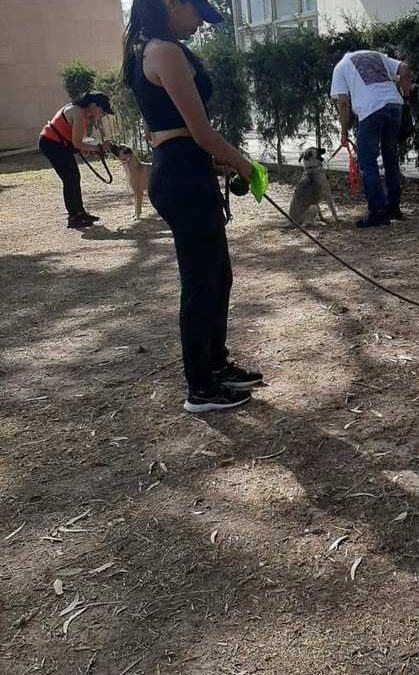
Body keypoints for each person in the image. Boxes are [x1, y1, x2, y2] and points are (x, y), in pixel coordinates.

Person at [123, 0, 263, 413]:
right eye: (197, 12)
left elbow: (172, 129)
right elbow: (200, 130)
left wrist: (215, 159)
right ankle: (200, 387)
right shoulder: (163, 51)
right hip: (182, 175)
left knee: (218, 276)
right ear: (171, 4)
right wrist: (243, 164)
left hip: (185, 167)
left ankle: (216, 366)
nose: (201, 23)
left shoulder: (148, 49)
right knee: (202, 282)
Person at [330, 49, 412, 228]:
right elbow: (404, 69)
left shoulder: (340, 67)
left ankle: (378, 212)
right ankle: (393, 208)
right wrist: (406, 99)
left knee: (367, 162)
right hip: (395, 105)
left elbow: (343, 102)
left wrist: (344, 132)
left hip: (371, 110)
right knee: (391, 158)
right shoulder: (375, 55)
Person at [38, 91, 115, 229]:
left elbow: (76, 141)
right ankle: (74, 217)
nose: (103, 113)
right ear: (93, 105)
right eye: (102, 109)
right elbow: (77, 143)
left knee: (74, 177)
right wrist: (99, 148)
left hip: (58, 143)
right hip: (52, 144)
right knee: (70, 178)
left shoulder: (80, 111)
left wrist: (92, 148)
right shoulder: (79, 114)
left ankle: (80, 213)